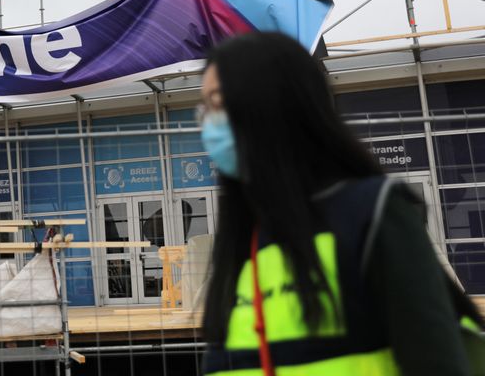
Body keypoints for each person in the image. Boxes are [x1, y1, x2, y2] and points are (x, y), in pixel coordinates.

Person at [198, 31, 482, 375]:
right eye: (205, 108)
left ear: (271, 105)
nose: (207, 123)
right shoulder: (244, 234)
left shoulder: (369, 214)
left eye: (218, 103)